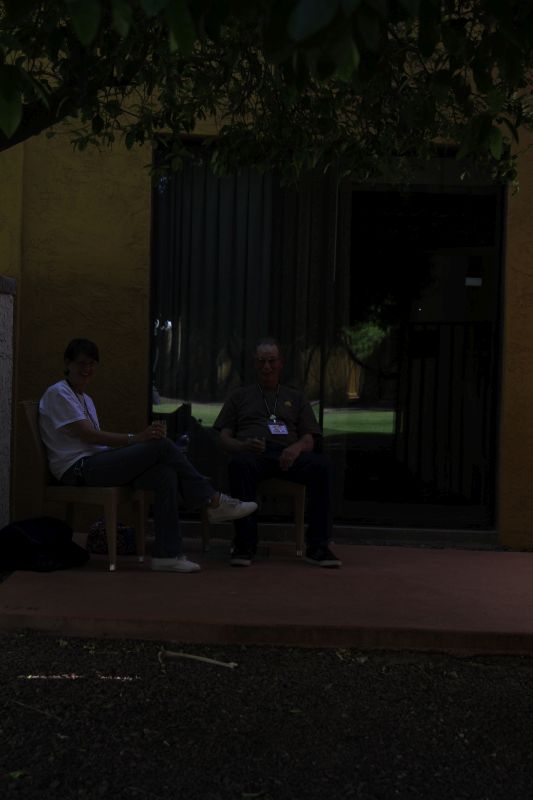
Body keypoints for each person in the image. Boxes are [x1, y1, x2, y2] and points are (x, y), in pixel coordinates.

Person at [39, 338, 257, 573]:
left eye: (92, 364)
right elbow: (88, 435)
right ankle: (212, 500)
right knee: (159, 445)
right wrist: (136, 439)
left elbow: (93, 442)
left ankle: (167, 555)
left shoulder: (85, 398)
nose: (87, 369)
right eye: (81, 363)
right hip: (77, 469)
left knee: (165, 473)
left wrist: (128, 449)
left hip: (95, 463)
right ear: (67, 363)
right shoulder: (58, 393)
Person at [213, 338, 341, 568]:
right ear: (255, 364)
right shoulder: (239, 396)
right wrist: (243, 445)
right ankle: (244, 544)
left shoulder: (296, 397)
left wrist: (295, 448)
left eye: (272, 361)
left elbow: (309, 438)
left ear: (280, 364)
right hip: (253, 453)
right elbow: (223, 438)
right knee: (239, 465)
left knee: (322, 466)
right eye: (262, 361)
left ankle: (318, 546)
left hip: (288, 454)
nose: (267, 367)